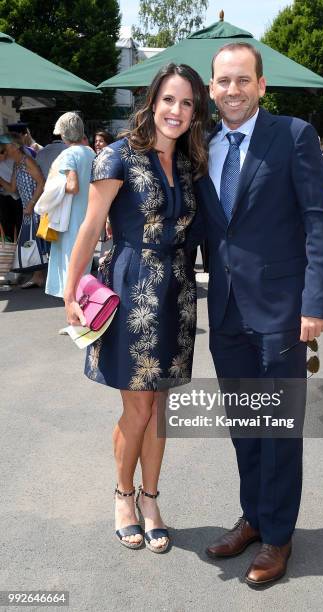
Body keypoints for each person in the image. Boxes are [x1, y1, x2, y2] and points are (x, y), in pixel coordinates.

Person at [191, 42, 323, 586]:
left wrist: (315, 303)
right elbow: (206, 227)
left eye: (242, 80)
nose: (233, 90)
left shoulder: (293, 135)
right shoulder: (201, 145)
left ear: (261, 85)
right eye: (223, 82)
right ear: (212, 88)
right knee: (245, 426)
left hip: (282, 312)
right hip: (225, 311)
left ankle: (278, 536)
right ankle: (253, 517)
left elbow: (319, 222)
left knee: (277, 428)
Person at [63, 64, 209, 552]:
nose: (177, 111)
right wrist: (70, 292)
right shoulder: (117, 156)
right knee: (138, 405)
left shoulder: (190, 162)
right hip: (131, 291)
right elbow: (89, 227)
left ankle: (151, 499)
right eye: (170, 99)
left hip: (177, 294)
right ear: (152, 101)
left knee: (160, 404)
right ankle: (123, 495)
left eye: (187, 103)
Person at [45, 113, 95, 298]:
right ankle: (83, 317)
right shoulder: (91, 152)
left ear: (64, 134)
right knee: (84, 270)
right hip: (89, 216)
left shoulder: (68, 154)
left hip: (70, 219)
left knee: (70, 270)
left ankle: (74, 318)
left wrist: (54, 188)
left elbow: (73, 186)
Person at [0, 133, 46, 288]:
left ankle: (39, 276)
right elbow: (12, 189)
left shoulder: (27, 162)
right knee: (33, 242)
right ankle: (37, 275)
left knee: (37, 242)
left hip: (35, 208)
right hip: (27, 208)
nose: (3, 150)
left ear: (14, 146)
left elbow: (41, 182)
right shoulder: (17, 164)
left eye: (5, 147)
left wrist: (31, 204)